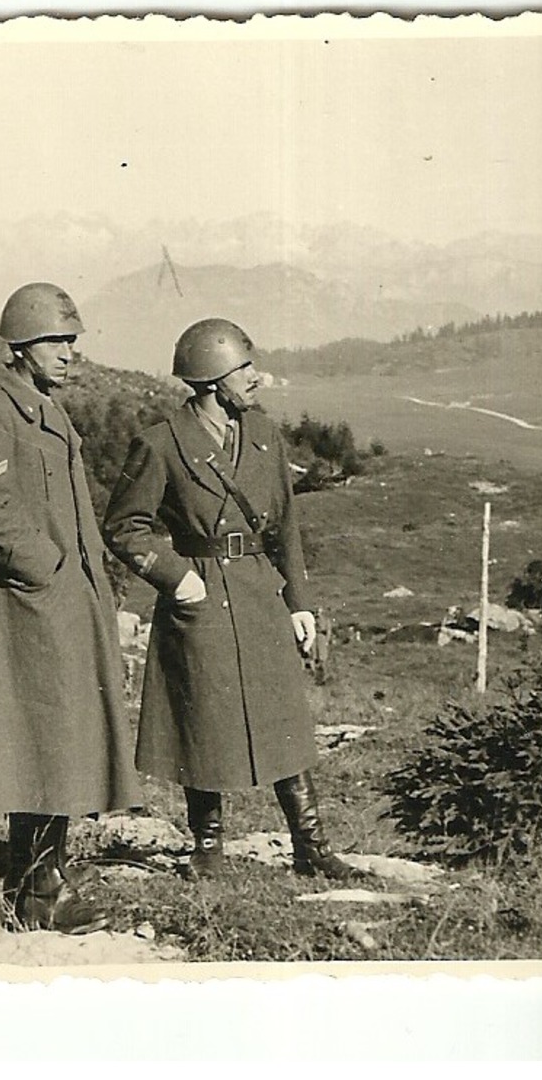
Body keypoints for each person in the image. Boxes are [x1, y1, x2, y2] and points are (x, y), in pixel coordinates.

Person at [102, 317, 360, 882]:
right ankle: (208, 851)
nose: (256, 377)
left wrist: (300, 603)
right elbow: (124, 527)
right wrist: (174, 577)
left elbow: (286, 528)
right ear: (212, 379)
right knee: (204, 718)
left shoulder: (264, 433)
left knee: (284, 717)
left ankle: (311, 848)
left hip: (257, 589)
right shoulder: (161, 443)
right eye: (244, 368)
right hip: (200, 592)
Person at [0, 282, 141, 933]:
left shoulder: (42, 408)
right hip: (27, 607)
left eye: (72, 342)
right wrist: (46, 570)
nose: (68, 354)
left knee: (58, 741)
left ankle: (40, 868)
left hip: (60, 606)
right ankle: (38, 891)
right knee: (43, 742)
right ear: (20, 345)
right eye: (55, 341)